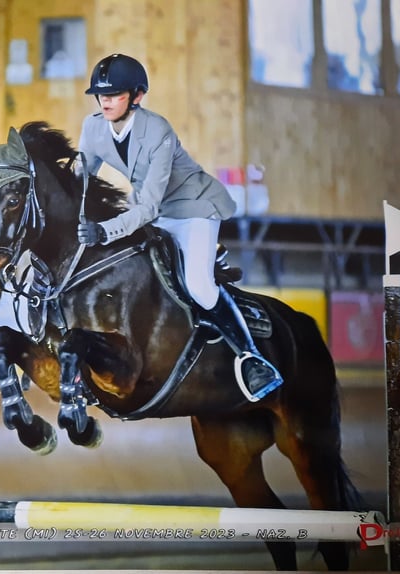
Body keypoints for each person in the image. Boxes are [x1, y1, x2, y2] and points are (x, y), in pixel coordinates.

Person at [76, 53, 282, 402]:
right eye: (102, 94)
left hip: (193, 209)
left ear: (137, 96)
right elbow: (80, 180)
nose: (106, 101)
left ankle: (252, 358)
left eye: (116, 94)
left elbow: (149, 205)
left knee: (199, 286)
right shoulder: (93, 128)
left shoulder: (157, 131)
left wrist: (104, 230)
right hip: (150, 212)